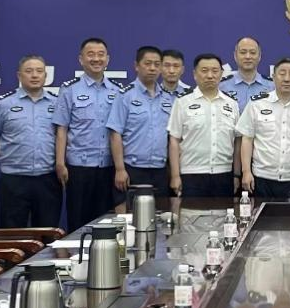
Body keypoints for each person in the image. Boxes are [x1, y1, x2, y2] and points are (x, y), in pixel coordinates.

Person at [0, 55, 62, 228]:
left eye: (39, 71)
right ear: (19, 75)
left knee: (47, 232)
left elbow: (62, 136)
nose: (34, 75)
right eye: (29, 71)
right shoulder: (3, 104)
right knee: (11, 232)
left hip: (47, 179)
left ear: (45, 76)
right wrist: (10, 158)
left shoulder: (57, 103)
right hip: (14, 180)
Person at [53, 37, 122, 231]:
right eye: (90, 54)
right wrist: (60, 163)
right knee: (78, 222)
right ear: (81, 59)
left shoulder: (117, 90)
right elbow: (62, 129)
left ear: (108, 59)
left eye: (101, 55)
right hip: (78, 167)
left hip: (108, 167)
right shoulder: (69, 89)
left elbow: (119, 131)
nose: (96, 59)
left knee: (106, 223)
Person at [236, 58, 290, 199]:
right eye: (282, 74)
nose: (287, 79)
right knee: (260, 213)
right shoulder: (257, 104)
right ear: (273, 77)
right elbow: (247, 139)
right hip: (262, 177)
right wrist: (246, 171)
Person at [106, 46, 174, 208]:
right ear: (136, 66)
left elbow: (172, 137)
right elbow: (115, 134)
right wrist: (120, 169)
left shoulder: (168, 98)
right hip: (132, 169)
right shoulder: (125, 95)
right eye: (147, 63)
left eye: (157, 64)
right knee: (129, 217)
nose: (152, 68)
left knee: (160, 217)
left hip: (160, 170)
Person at [167, 53, 241, 197]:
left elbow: (238, 140)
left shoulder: (231, 104)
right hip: (191, 174)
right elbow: (174, 139)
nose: (210, 76)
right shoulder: (182, 102)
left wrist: (236, 174)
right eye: (204, 71)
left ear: (221, 74)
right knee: (191, 211)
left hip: (224, 174)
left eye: (215, 71)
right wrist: (175, 176)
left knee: (223, 211)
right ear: (195, 74)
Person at [220, 37, 275, 112]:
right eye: (243, 52)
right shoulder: (221, 86)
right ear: (235, 56)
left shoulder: (272, 86)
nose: (248, 57)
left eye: (252, 52)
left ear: (259, 56)